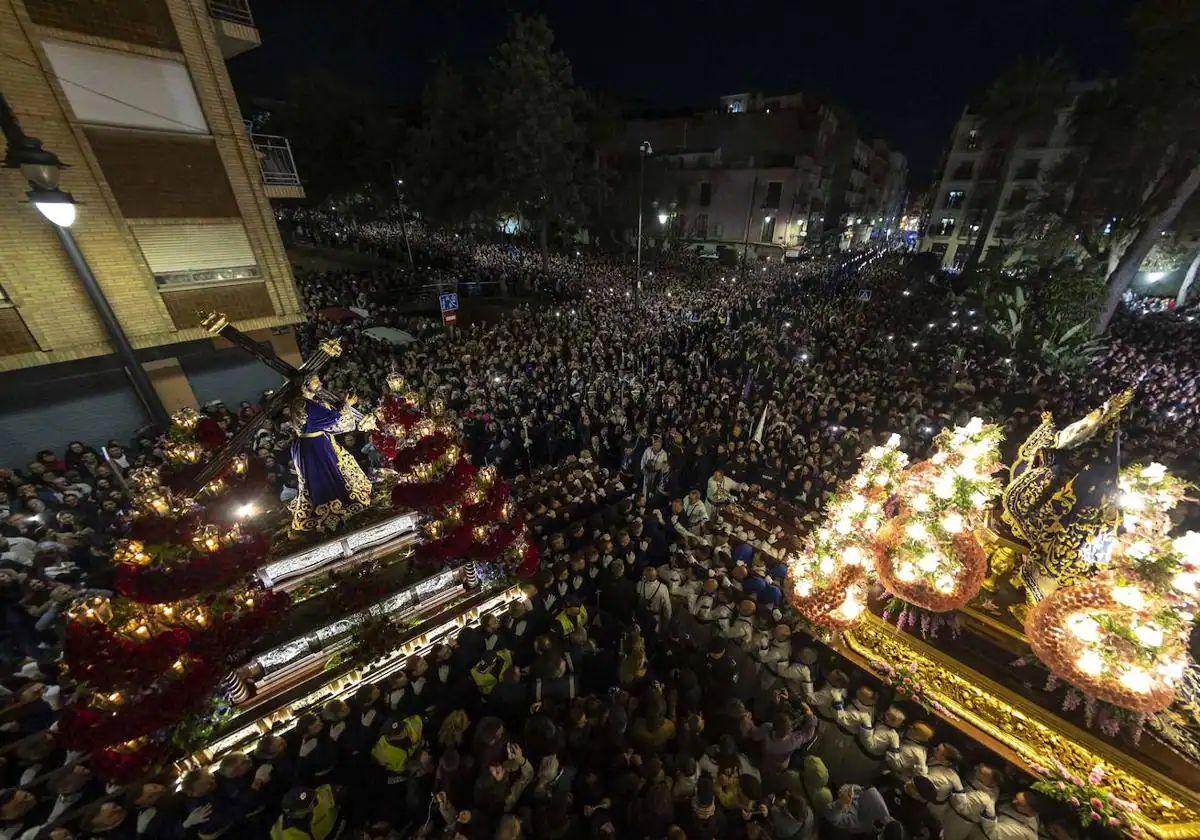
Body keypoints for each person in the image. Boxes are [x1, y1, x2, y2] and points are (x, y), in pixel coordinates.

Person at [269, 785, 342, 840]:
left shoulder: (318, 795)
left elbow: (337, 791)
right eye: (307, 804)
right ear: (295, 813)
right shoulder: (291, 836)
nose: (314, 801)